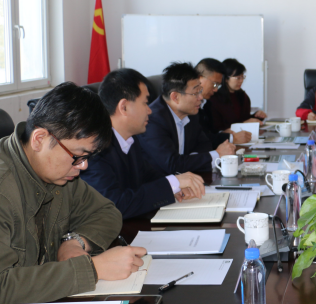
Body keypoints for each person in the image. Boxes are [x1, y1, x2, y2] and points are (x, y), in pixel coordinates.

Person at [0, 82, 147, 304]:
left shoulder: (56, 172)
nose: (83, 166)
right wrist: (93, 269)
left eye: (87, 157)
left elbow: (106, 211)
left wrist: (75, 242)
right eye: (78, 156)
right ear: (40, 139)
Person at [82, 69, 206, 219]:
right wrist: (172, 183)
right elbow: (115, 205)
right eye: (145, 103)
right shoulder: (95, 148)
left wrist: (176, 186)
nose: (150, 110)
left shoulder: (130, 139)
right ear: (124, 107)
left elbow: (147, 175)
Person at [137, 62, 236, 175]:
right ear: (175, 97)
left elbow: (204, 145)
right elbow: (172, 165)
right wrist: (217, 155)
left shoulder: (190, 113)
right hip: (160, 182)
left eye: (200, 91)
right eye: (195, 93)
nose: (200, 97)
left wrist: (189, 161)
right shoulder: (152, 120)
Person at [196, 58, 251, 145]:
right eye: (214, 84)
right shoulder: (191, 105)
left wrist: (222, 133)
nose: (216, 89)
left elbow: (209, 133)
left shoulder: (205, 102)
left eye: (218, 85)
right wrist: (230, 137)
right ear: (200, 78)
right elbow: (198, 140)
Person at [211, 58, 266, 133]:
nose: (241, 81)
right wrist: (243, 124)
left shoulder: (243, 96)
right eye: (238, 78)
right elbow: (217, 128)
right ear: (226, 78)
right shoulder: (215, 99)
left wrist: (256, 116)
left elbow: (244, 118)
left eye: (242, 77)